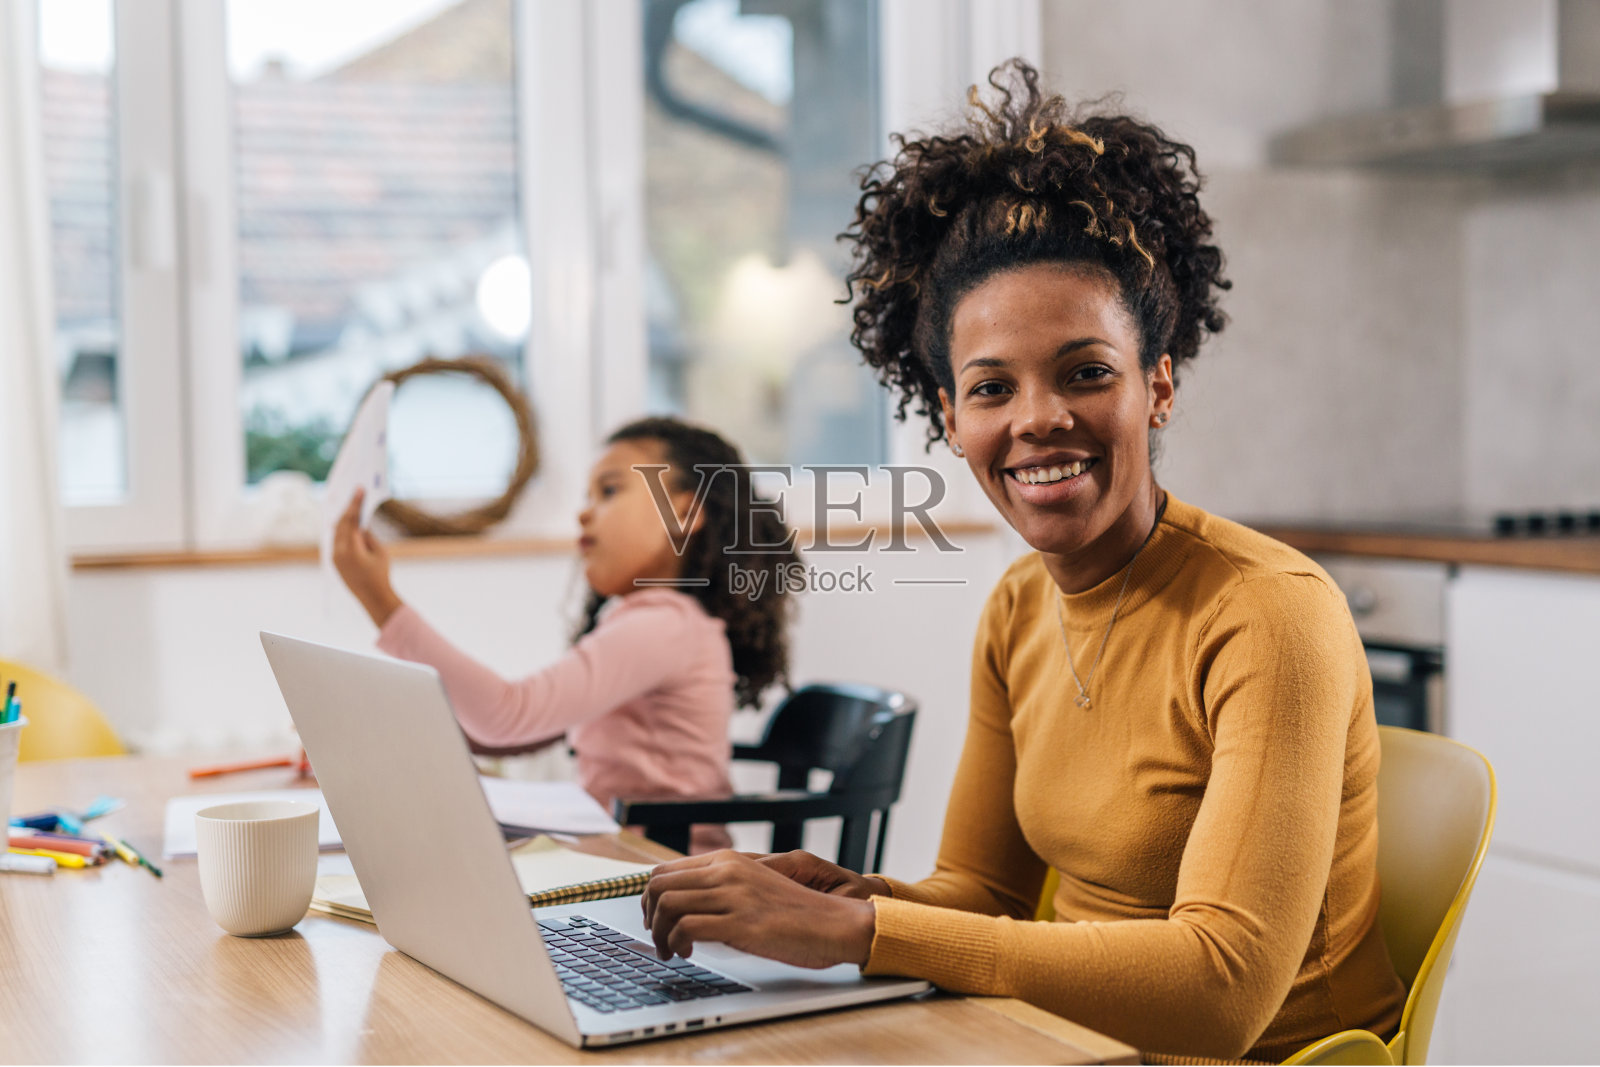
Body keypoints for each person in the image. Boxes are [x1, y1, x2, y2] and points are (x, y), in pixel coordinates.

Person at [638, 61, 1408, 1060]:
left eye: (1085, 372)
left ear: (1157, 386)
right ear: (951, 415)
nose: (1038, 418)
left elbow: (1221, 990)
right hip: (1067, 1041)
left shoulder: (1268, 612)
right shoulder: (1017, 605)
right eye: (992, 388)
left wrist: (863, 934)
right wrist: (855, 898)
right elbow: (985, 891)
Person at [332, 415, 798, 853]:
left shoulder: (665, 626)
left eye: (608, 491)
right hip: (626, 858)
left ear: (683, 513)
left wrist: (379, 600)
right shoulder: (657, 623)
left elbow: (507, 715)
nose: (584, 514)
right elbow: (513, 728)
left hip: (665, 874)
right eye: (587, 496)